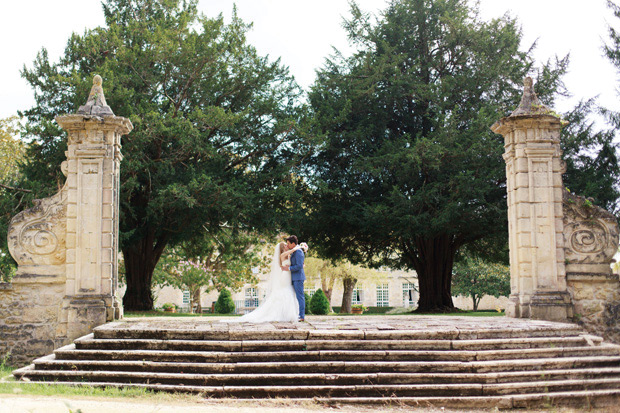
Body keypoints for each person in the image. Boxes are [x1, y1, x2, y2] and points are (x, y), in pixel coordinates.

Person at [222, 240, 305, 323]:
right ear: (283, 248)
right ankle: (285, 314)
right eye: (286, 245)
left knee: (289, 292)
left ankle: (289, 313)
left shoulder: (289, 255)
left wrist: (301, 262)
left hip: (289, 275)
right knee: (285, 291)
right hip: (285, 275)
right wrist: (300, 247)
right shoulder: (283, 255)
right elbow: (292, 251)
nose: (287, 246)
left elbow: (296, 263)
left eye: (288, 244)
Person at [280, 235, 306, 321]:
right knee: (294, 297)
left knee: (300, 296)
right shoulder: (294, 252)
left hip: (298, 278)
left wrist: (289, 268)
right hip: (293, 277)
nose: (287, 245)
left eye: (288, 243)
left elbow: (299, 266)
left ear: (293, 243)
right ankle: (296, 314)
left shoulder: (298, 252)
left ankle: (301, 316)